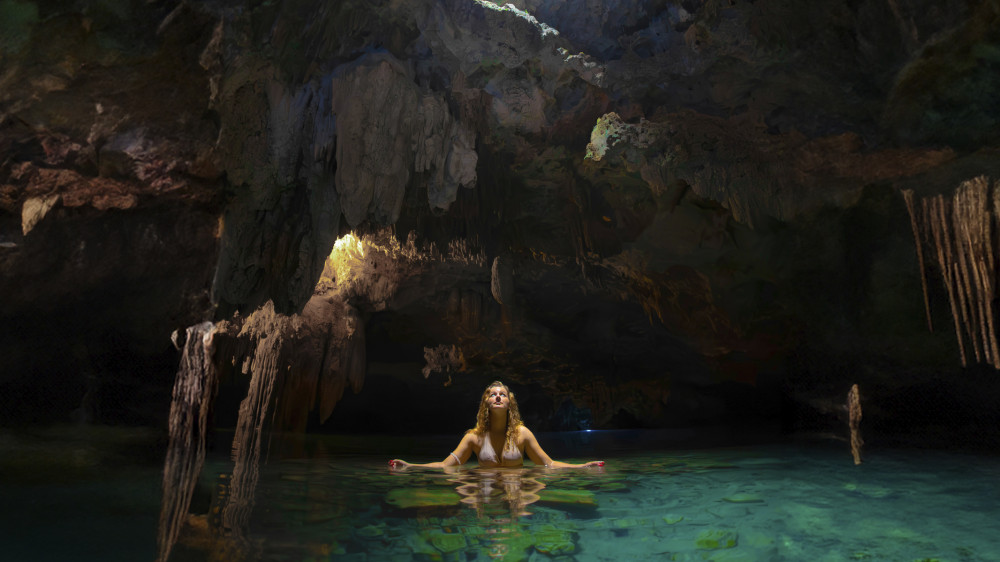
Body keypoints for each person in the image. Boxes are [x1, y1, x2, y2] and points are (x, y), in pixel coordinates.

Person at [389, 381, 604, 470]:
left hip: (517, 490)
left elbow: (548, 464)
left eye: (503, 394)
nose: (498, 397)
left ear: (510, 403)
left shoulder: (522, 434)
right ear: (486, 403)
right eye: (493, 395)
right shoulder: (474, 437)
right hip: (484, 489)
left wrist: (582, 467)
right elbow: (446, 466)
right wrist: (411, 466)